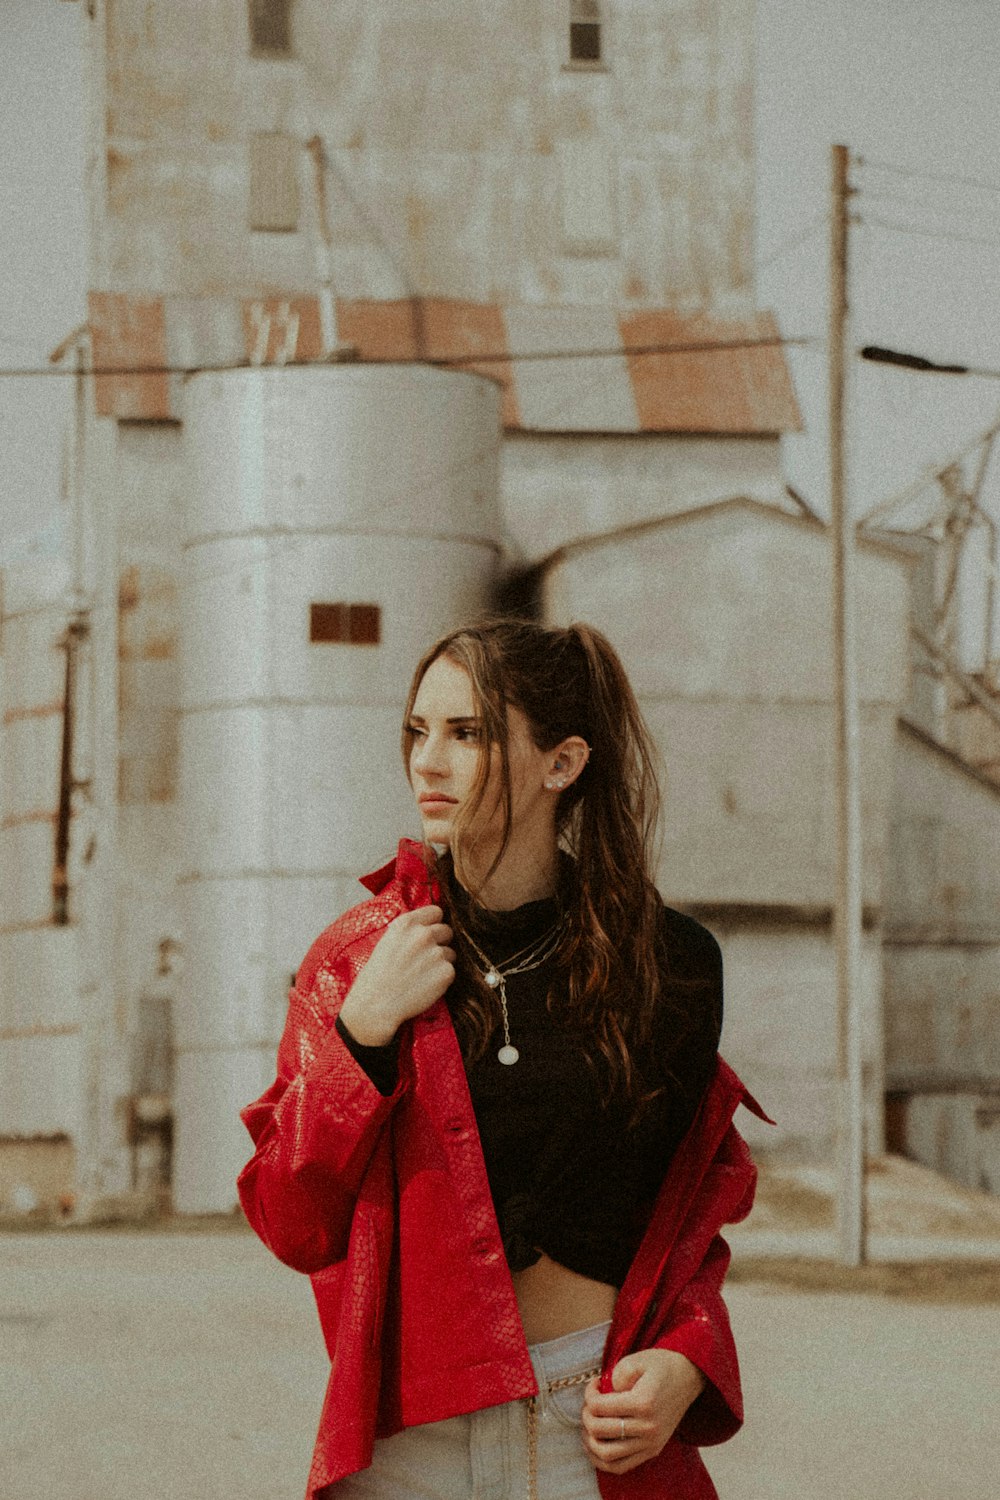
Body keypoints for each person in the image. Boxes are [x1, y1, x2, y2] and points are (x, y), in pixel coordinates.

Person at [238, 618, 768, 1500]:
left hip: (593, 1431)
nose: (427, 762)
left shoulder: (669, 964)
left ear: (562, 763)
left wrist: (686, 1360)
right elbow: (292, 1220)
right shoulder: (358, 959)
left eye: (468, 732)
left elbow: (687, 1213)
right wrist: (361, 1038)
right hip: (413, 1448)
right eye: (418, 731)